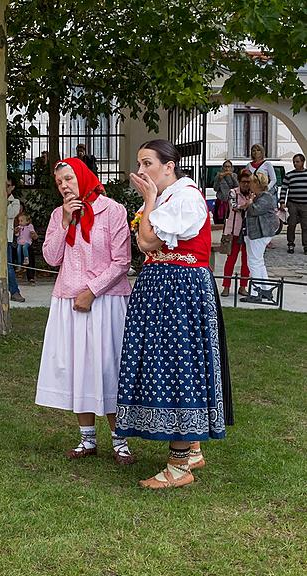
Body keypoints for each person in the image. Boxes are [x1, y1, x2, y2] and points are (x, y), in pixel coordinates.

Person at [116, 139, 231, 489]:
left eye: (147, 163)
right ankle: (191, 446)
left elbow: (148, 242)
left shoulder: (186, 197)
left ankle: (179, 466)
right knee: (167, 362)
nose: (141, 171)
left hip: (180, 288)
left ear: (169, 166)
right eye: (139, 163)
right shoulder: (168, 198)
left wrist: (149, 202)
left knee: (180, 364)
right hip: (163, 287)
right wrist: (150, 206)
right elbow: (144, 242)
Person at [36, 158, 134, 465]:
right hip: (69, 299)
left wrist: (92, 291)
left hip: (105, 300)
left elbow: (122, 261)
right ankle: (87, 438)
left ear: (82, 177)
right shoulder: (59, 214)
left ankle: (120, 441)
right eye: (60, 182)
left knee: (108, 367)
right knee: (79, 367)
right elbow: (51, 258)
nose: (64, 185)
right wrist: (65, 221)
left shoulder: (113, 210)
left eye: (68, 179)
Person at [239, 171, 280, 303]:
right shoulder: (260, 196)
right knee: (258, 262)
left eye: (251, 182)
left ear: (257, 184)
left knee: (254, 262)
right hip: (255, 233)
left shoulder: (266, 197)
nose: (249, 184)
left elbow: (253, 210)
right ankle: (265, 289)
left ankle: (255, 292)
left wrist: (249, 202)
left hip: (259, 234)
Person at [220, 169, 252, 297]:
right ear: (239, 182)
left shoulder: (252, 193)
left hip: (248, 231)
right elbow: (234, 207)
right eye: (244, 182)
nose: (246, 185)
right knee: (231, 259)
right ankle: (226, 286)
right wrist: (246, 205)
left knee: (246, 260)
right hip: (234, 230)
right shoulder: (233, 192)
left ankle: (243, 286)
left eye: (248, 182)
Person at [280, 153, 307, 254]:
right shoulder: (289, 175)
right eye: (294, 162)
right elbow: (284, 189)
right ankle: (290, 244)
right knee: (291, 225)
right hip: (292, 203)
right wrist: (282, 202)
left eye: (297, 162)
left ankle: (306, 246)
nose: (295, 164)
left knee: (306, 226)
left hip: (305, 204)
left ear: (303, 162)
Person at [211, 160, 237, 225]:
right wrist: (219, 179)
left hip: (231, 201)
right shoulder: (218, 176)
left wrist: (231, 176)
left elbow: (237, 186)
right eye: (225, 167)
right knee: (219, 220)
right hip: (221, 201)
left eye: (229, 167)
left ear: (231, 168)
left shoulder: (234, 175)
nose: (227, 169)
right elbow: (215, 188)